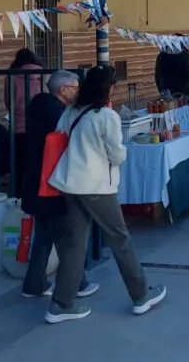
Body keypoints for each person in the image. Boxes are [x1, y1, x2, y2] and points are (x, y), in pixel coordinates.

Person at [47, 66, 166, 323]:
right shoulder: (106, 116)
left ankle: (61, 303)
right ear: (107, 88)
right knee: (120, 239)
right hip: (97, 187)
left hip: (69, 184)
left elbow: (60, 136)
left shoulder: (71, 111)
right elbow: (117, 155)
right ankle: (141, 295)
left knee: (74, 245)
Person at [20, 70, 97, 300]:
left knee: (44, 236)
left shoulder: (42, 108)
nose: (77, 92)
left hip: (38, 182)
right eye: (75, 88)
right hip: (50, 184)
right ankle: (77, 284)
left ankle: (33, 284)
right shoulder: (55, 114)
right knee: (67, 238)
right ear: (63, 90)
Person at [4, 48, 44, 194]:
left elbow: (8, 102)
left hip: (19, 126)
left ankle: (19, 197)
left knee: (19, 165)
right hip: (41, 126)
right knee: (40, 164)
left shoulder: (11, 76)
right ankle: (38, 195)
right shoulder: (45, 74)